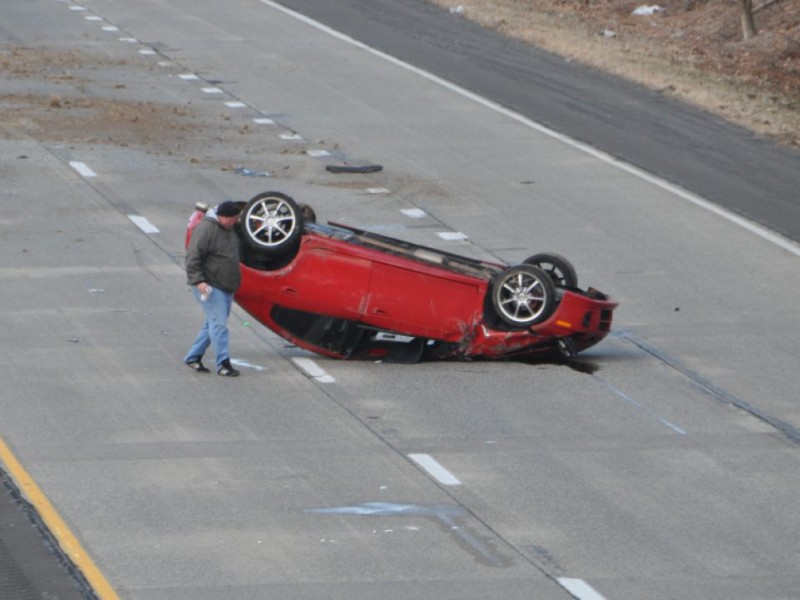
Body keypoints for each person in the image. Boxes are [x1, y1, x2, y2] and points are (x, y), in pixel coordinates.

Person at [183, 200, 243, 377]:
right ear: (223, 217)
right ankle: (223, 364)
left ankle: (193, 357)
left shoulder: (230, 229)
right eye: (233, 219)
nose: (234, 222)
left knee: (212, 323)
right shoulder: (205, 229)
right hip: (209, 285)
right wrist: (198, 280)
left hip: (226, 285)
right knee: (219, 325)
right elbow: (192, 256)